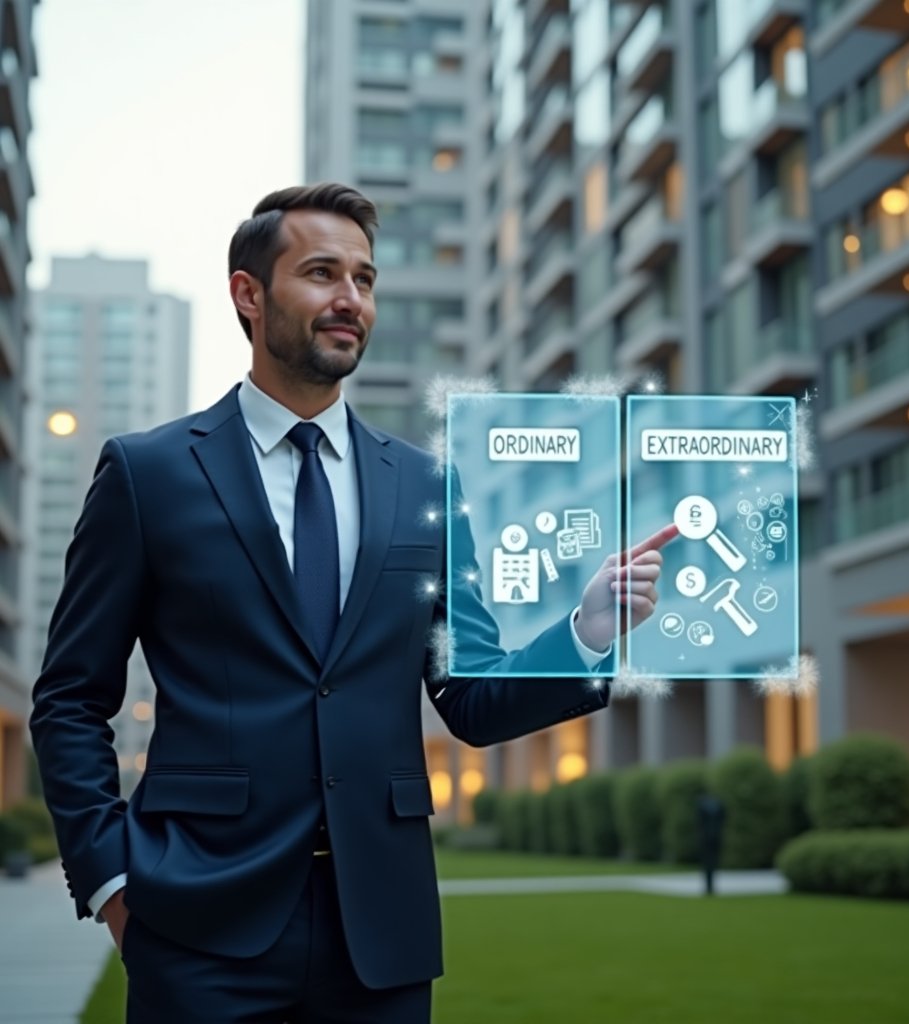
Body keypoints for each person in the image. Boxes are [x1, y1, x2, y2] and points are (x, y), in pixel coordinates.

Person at [30, 184, 674, 1023]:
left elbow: (469, 698)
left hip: (383, 930)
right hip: (197, 925)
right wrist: (114, 884)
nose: (351, 300)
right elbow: (70, 699)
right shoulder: (148, 475)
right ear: (249, 295)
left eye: (365, 280)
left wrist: (589, 632)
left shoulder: (425, 486)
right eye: (323, 273)